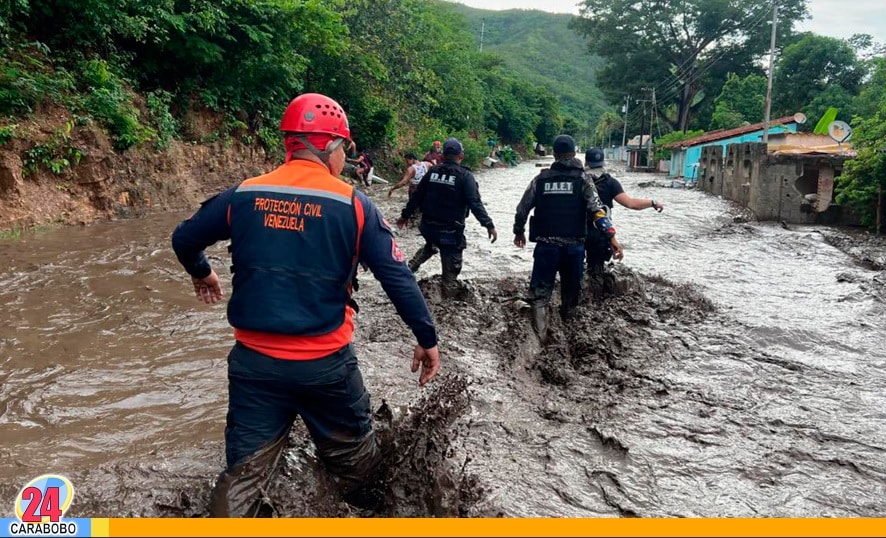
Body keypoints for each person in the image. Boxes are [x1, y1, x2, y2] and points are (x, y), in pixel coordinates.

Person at [170, 93, 441, 517]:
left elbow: (184, 238)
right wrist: (427, 338)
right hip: (325, 368)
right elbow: (397, 278)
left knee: (241, 480)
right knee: (359, 473)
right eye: (344, 151)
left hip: (255, 367)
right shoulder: (354, 206)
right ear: (333, 147)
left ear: (289, 144)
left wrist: (202, 271)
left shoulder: (243, 196)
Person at [513, 135, 623, 336]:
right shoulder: (583, 180)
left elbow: (522, 210)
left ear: (554, 155)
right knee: (571, 296)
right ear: (574, 154)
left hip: (546, 248)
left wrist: (518, 232)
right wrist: (611, 237)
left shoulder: (540, 179)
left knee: (540, 297)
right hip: (574, 249)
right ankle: (569, 337)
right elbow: (598, 212)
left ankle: (540, 336)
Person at [397, 138, 497, 296]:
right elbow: (475, 203)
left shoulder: (432, 172)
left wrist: (404, 216)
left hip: (428, 227)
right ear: (461, 155)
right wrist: (489, 225)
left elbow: (417, 196)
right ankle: (448, 301)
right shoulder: (465, 177)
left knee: (431, 244)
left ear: (442, 155)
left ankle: (407, 272)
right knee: (450, 279)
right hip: (450, 233)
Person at [583, 146, 664, 285]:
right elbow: (631, 203)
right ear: (603, 163)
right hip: (601, 233)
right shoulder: (610, 183)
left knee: (573, 271)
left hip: (576, 232)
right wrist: (653, 202)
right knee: (596, 273)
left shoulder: (578, 181)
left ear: (585, 162)